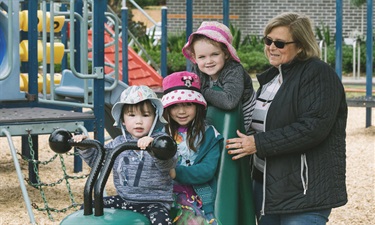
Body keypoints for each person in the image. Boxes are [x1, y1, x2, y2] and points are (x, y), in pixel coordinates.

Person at [226, 12, 348, 225]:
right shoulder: (272, 78)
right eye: (268, 40)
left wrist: (257, 143)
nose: (272, 47)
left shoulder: (318, 74)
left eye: (280, 43)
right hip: (264, 186)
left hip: (304, 191)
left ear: (301, 46)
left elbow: (313, 127)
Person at [72, 85, 177, 225]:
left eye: (145, 115)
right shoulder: (118, 143)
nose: (138, 121)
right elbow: (98, 161)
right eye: (132, 115)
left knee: (161, 222)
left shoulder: (161, 141)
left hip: (154, 202)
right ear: (122, 119)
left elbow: (167, 166)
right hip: (125, 199)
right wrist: (84, 146)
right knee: (88, 207)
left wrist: (153, 148)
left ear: (155, 117)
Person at [161, 71, 224, 225]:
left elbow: (207, 169)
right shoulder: (162, 134)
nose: (181, 111)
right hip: (165, 196)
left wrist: (176, 172)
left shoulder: (209, 135)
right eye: (175, 106)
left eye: (188, 104)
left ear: (197, 106)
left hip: (196, 199)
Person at [182, 21, 256, 135]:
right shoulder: (198, 70)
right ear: (195, 58)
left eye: (215, 54)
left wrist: (201, 91)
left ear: (226, 54)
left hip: (242, 122)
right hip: (215, 117)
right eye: (202, 57)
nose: (209, 61)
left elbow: (229, 102)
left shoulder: (233, 70)